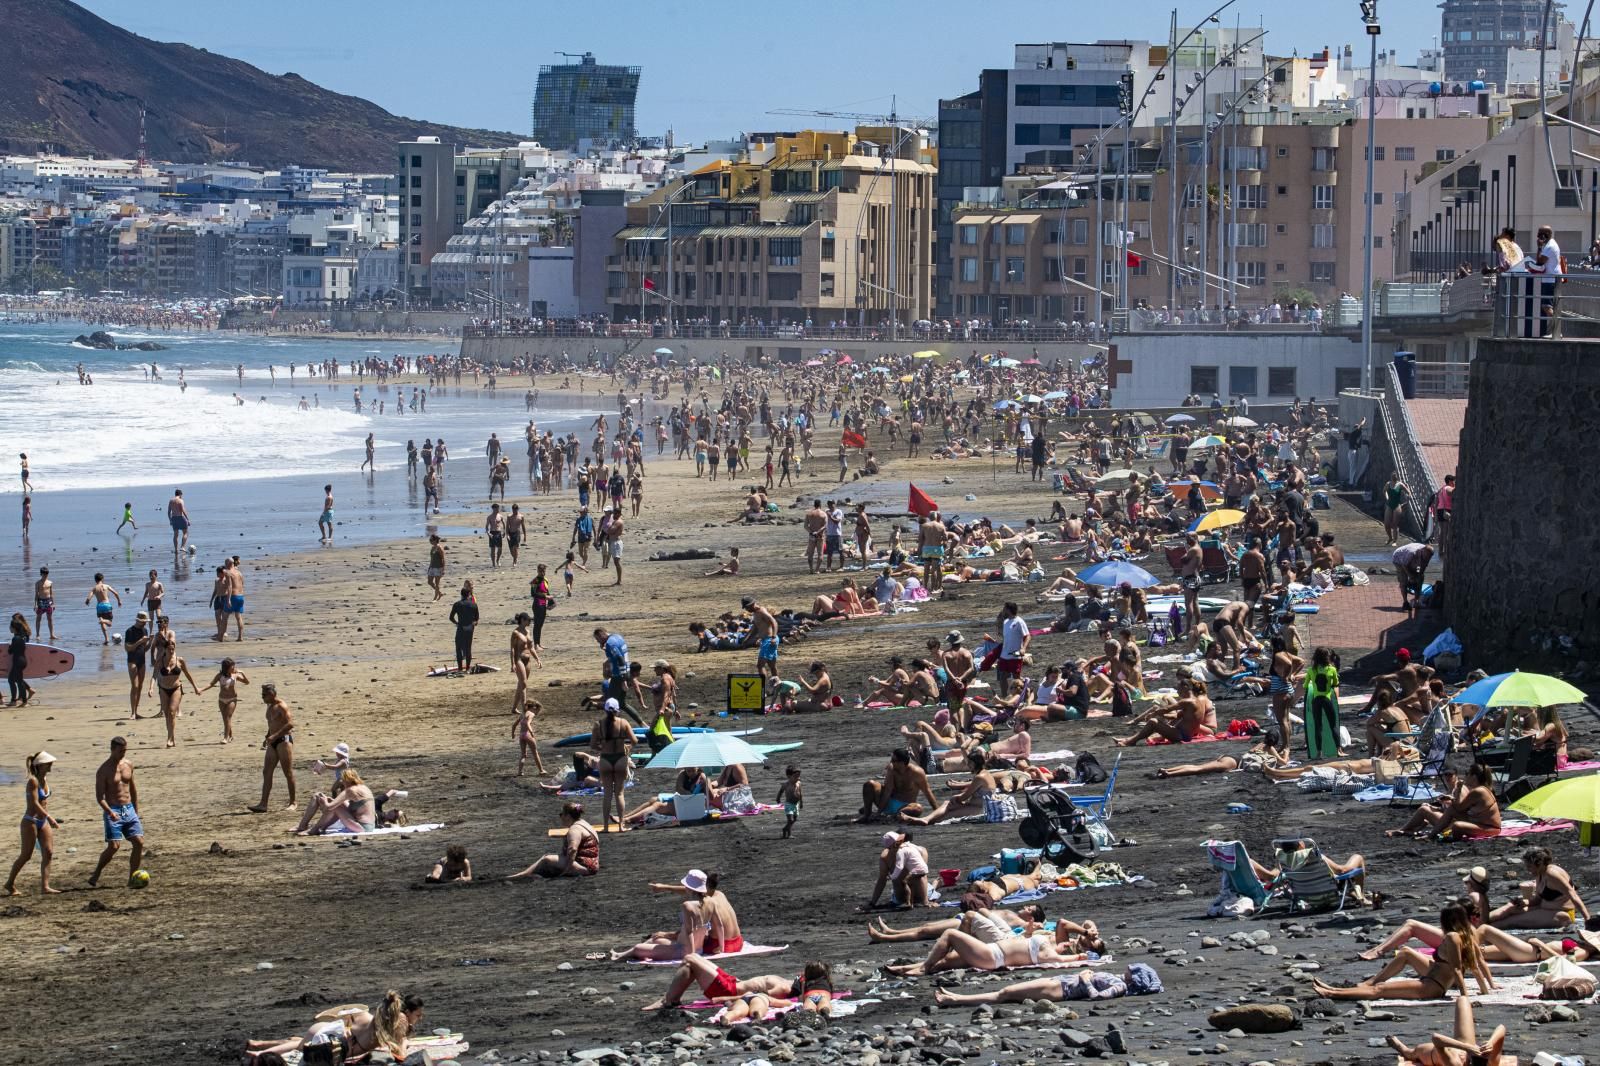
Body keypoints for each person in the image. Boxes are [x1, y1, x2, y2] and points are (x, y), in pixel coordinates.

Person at [1313, 903, 1492, 1000]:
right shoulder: (1466, 935)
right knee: (1404, 954)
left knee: (1379, 990)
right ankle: (1337, 989)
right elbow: (1476, 964)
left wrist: (1464, 998)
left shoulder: (1453, 937)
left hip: (1432, 986)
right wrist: (1485, 990)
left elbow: (1457, 969)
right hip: (1433, 979)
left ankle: (1332, 993)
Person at [246, 991, 425, 1063]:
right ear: (405, 1013)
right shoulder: (396, 1025)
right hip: (331, 1046)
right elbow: (400, 1055)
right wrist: (405, 1041)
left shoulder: (368, 1014)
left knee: (300, 1043)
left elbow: (342, 1015)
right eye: (417, 1015)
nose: (419, 1019)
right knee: (304, 1047)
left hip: (326, 1028)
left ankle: (260, 1048)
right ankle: (260, 1053)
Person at [611, 869, 742, 961]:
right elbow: (717, 926)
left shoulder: (688, 905)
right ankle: (621, 954)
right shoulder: (715, 898)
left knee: (639, 948)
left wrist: (690, 955)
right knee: (655, 939)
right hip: (731, 942)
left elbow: (690, 931)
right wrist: (722, 950)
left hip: (687, 949)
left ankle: (620, 955)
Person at [640, 953, 820, 1012]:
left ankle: (668, 1000)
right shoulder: (791, 981)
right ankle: (671, 999)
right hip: (733, 981)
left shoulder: (784, 987)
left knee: (689, 959)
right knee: (692, 958)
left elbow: (755, 997)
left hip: (728, 988)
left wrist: (723, 998)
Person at [1487, 846, 1593, 930]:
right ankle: (1479, 919)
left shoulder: (1553, 874)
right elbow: (1538, 899)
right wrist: (1524, 902)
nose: (1528, 870)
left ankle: (1483, 927)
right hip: (1543, 908)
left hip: (1561, 914)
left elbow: (1573, 895)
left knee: (1511, 921)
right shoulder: (1540, 873)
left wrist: (1587, 919)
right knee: (1510, 907)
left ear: (1539, 863)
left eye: (1529, 866)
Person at [1387, 762, 1501, 838]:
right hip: (1478, 822)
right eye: (1445, 774)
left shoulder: (1478, 791)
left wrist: (1457, 792)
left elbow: (1459, 807)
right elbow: (1457, 808)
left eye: (1467, 774)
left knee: (1457, 825)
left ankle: (1428, 834)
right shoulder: (1478, 789)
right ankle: (1429, 834)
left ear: (1474, 777)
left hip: (1490, 828)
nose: (1447, 777)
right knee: (1443, 811)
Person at [89, 736, 145, 888]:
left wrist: (135, 810)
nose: (123, 754)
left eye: (125, 750)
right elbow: (100, 797)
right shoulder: (103, 770)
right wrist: (109, 812)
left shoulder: (128, 765)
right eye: (120, 751)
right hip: (112, 809)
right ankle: (96, 873)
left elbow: (132, 789)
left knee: (139, 842)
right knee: (114, 846)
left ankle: (132, 878)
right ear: (112, 750)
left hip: (128, 809)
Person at [1388, 997, 1510, 1066]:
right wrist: (1491, 1042)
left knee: (1411, 1053)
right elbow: (1502, 1028)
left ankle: (1400, 1047)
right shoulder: (1492, 1062)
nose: (1464, 1057)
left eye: (1467, 1059)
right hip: (1465, 1043)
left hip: (1435, 1053)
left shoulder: (1455, 1063)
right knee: (1463, 1000)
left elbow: (1436, 1038)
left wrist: (1467, 1048)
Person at [4, 751, 59, 896]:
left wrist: (47, 818)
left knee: (48, 852)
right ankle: (10, 883)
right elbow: (34, 803)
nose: (50, 765)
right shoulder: (33, 781)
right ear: (40, 765)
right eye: (48, 764)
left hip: (43, 821)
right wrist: (50, 817)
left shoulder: (44, 779)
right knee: (26, 855)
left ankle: (45, 886)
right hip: (30, 821)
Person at [508, 801, 600, 879]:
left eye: (561, 814)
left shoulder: (575, 829)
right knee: (549, 859)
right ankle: (529, 874)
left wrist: (567, 869)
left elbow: (573, 849)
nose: (560, 817)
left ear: (568, 816)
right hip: (591, 866)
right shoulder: (586, 824)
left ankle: (522, 875)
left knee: (546, 859)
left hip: (583, 868)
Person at [249, 684, 298, 812]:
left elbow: (290, 724)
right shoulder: (269, 706)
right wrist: (267, 736)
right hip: (272, 742)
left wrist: (275, 735)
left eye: (264, 695)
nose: (262, 697)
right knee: (266, 772)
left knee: (287, 772)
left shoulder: (282, 706)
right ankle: (263, 804)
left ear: (272, 694)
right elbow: (272, 723)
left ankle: (293, 802)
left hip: (284, 741)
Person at [589, 698, 634, 832]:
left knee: (607, 794)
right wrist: (627, 747)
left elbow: (592, 745)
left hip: (606, 760)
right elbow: (635, 740)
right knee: (619, 793)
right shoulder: (623, 722)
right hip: (620, 758)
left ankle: (606, 827)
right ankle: (620, 826)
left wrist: (602, 747)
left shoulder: (598, 724)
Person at [858, 747, 937, 823]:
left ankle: (892, 816)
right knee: (870, 784)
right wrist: (879, 812)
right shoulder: (891, 768)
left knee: (918, 808)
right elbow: (887, 791)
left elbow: (927, 792)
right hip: (888, 803)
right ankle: (867, 815)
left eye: (893, 760)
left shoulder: (917, 772)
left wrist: (937, 812)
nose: (891, 762)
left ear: (902, 763)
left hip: (904, 807)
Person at [293, 768, 377, 835]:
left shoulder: (350, 790)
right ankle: (318, 827)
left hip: (362, 827)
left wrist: (325, 801)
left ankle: (314, 829)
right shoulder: (363, 787)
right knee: (336, 804)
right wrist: (330, 800)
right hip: (369, 826)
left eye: (342, 780)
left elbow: (329, 807)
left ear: (346, 780)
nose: (341, 782)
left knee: (335, 807)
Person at [871, 829, 932, 908]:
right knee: (919, 879)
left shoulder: (887, 856)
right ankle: (935, 885)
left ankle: (933, 887)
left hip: (909, 897)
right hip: (906, 897)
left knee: (914, 878)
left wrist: (925, 902)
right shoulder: (920, 850)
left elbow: (921, 874)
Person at [153, 650, 200, 748]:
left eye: (173, 648)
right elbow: (154, 675)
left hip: (176, 688)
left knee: (171, 712)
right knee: (167, 715)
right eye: (169, 649)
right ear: (165, 649)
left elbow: (187, 674)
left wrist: (195, 687)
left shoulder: (180, 660)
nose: (171, 651)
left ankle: (169, 738)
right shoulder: (160, 661)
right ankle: (172, 738)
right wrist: (151, 687)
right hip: (163, 689)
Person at [200, 657, 249, 742]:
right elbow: (211, 684)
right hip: (221, 700)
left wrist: (242, 673)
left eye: (234, 666)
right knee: (225, 719)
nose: (234, 667)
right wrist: (201, 689)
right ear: (226, 667)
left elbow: (247, 682)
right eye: (232, 666)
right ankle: (230, 736)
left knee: (227, 717)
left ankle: (225, 738)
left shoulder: (235, 676)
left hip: (232, 699)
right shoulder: (220, 676)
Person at [1394, 542, 1434, 611]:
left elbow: (1421, 567)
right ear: (1423, 551)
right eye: (1427, 556)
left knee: (1420, 578)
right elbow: (1404, 565)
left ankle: (1416, 602)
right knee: (1404, 580)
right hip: (1399, 559)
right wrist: (1411, 577)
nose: (1428, 558)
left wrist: (1418, 576)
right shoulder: (1412, 552)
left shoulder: (1428, 554)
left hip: (1412, 560)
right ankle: (1405, 603)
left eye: (1429, 557)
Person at [448, 581, 479, 672]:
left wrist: (457, 623)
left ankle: (460, 668)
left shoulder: (457, 604)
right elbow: (477, 618)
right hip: (470, 628)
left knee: (458, 648)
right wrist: (474, 623)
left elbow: (451, 617)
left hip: (461, 628)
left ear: (461, 595)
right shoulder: (473, 604)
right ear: (469, 594)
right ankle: (468, 667)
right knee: (468, 648)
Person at [85, 572, 122, 645]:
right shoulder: (106, 586)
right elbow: (116, 593)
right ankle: (103, 621)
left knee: (102, 624)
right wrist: (119, 601)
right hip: (107, 605)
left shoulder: (95, 588)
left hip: (99, 606)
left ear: (95, 580)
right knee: (110, 623)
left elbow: (89, 597)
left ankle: (106, 639)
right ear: (102, 579)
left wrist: (87, 601)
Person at [513, 698, 546, 776]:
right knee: (535, 753)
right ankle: (541, 770)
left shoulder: (522, 714)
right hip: (527, 734)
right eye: (538, 711)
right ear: (535, 708)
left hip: (521, 735)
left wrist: (513, 734)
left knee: (523, 754)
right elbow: (528, 723)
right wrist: (531, 732)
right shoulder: (531, 714)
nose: (537, 713)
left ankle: (520, 772)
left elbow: (514, 725)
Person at [7, 613, 33, 707]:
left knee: (18, 681)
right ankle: (15, 700)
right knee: (12, 680)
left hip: (18, 662)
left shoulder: (16, 638)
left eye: (10, 626)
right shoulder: (22, 637)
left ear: (14, 628)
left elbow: (10, 652)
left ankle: (22, 701)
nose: (9, 628)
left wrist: (9, 647)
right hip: (21, 660)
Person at [777, 765, 803, 839]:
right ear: (789, 776)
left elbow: (800, 793)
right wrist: (778, 799)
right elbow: (780, 792)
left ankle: (786, 829)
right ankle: (788, 833)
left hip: (796, 804)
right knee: (790, 819)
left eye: (799, 776)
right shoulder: (786, 785)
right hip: (789, 804)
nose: (798, 778)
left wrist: (801, 802)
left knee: (794, 819)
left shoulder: (798, 783)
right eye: (795, 776)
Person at [1382, 474, 1409, 546]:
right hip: (1389, 505)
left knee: (1394, 524)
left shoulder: (1400, 485)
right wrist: (1387, 498)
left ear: (1397, 478)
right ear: (1391, 478)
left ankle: (1394, 541)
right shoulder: (1388, 484)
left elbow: (1408, 492)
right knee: (1386, 524)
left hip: (1397, 506)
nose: (1394, 479)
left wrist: (1407, 501)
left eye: (1395, 478)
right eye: (1393, 477)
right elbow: (1384, 491)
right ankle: (1390, 538)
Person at [33, 567, 55, 642]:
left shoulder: (50, 583)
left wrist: (53, 603)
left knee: (50, 619)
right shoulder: (38, 583)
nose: (45, 575)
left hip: (48, 601)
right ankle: (38, 635)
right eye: (44, 574)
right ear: (41, 574)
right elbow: (36, 594)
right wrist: (35, 604)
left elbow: (51, 594)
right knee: (38, 618)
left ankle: (51, 635)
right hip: (41, 602)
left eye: (47, 574)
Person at [167, 488, 190, 553]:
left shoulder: (171, 500)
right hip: (180, 517)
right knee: (185, 532)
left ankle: (176, 550)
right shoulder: (180, 500)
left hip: (173, 518)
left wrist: (170, 520)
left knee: (175, 534)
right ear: (180, 494)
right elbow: (182, 510)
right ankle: (182, 547)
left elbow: (168, 512)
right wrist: (188, 519)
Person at [426, 535, 447, 601]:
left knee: (437, 583)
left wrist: (443, 569)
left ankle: (435, 597)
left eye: (431, 540)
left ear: (435, 540)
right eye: (430, 540)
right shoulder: (432, 548)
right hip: (432, 567)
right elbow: (432, 558)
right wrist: (429, 567)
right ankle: (439, 593)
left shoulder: (439, 547)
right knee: (429, 582)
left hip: (438, 567)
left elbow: (443, 558)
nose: (430, 541)